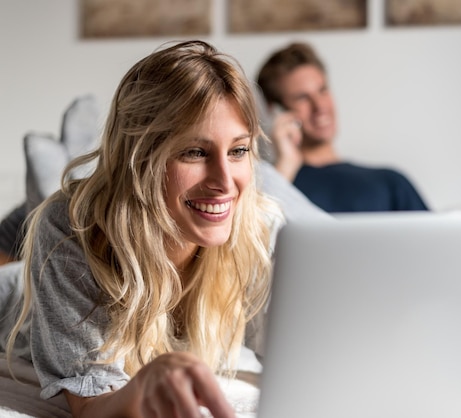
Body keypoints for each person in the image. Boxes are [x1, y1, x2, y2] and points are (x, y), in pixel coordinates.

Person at [4, 40, 284, 418]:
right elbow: (90, 404)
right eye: (195, 152)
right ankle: (50, 172)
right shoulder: (72, 229)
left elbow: (296, 352)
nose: (224, 180)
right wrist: (142, 385)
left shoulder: (259, 228)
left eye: (238, 151)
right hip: (18, 296)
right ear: (140, 158)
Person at [256, 42, 430, 213]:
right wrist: (285, 167)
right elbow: (257, 234)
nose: (320, 106)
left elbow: (437, 240)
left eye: (323, 90)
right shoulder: (266, 189)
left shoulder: (391, 183)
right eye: (303, 97)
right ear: (277, 111)